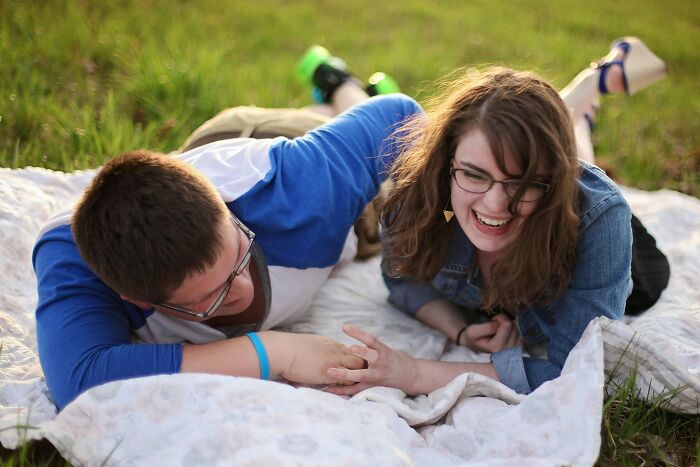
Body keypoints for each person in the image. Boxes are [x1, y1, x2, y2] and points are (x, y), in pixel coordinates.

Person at [32, 71, 421, 410]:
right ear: (137, 299)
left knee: (376, 194)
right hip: (185, 161)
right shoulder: (76, 255)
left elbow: (401, 115)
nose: (244, 286)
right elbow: (80, 382)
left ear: (223, 206)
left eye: (239, 253)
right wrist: (272, 352)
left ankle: (341, 85)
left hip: (265, 135)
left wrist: (427, 277)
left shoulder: (297, 183)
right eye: (210, 298)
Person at [321, 37, 671, 396]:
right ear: (447, 164)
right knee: (516, 147)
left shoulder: (595, 219)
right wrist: (458, 329)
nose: (494, 204)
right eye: (474, 174)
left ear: (552, 181)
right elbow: (402, 277)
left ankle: (589, 93)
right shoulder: (426, 199)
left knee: (565, 162)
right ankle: (582, 107)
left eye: (525, 183)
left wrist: (413, 373)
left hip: (580, 225)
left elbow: (573, 370)